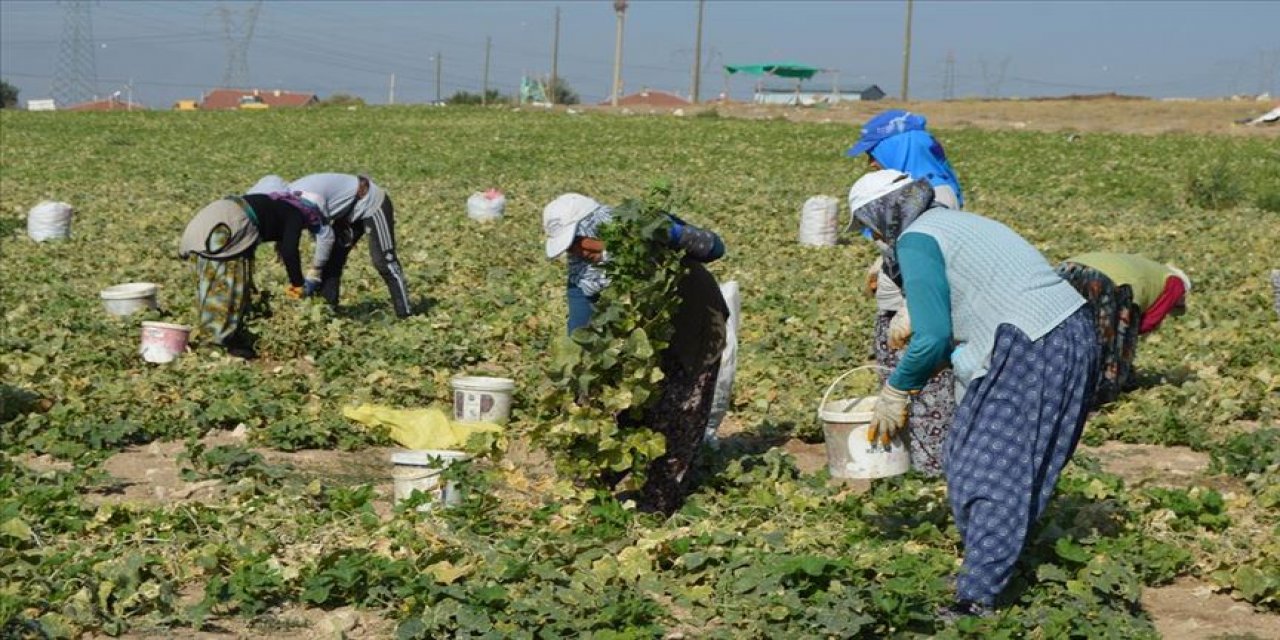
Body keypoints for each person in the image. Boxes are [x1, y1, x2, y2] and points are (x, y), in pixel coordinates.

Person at [849, 170, 1097, 619]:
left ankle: (976, 600)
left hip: (1030, 343)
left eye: (869, 224)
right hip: (1067, 333)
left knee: (986, 467)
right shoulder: (954, 223)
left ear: (884, 212)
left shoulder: (918, 239)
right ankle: (990, 569)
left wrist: (896, 389)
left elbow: (932, 339)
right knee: (1014, 461)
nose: (872, 236)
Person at [542, 193, 727, 514]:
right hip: (642, 332)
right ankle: (612, 488)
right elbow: (580, 323)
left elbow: (715, 248)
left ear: (599, 226)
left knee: (682, 406)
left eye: (580, 242)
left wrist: (670, 234)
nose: (579, 252)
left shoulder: (643, 228)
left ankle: (658, 501)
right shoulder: (583, 270)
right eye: (571, 247)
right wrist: (580, 371)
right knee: (633, 405)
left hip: (693, 315)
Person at [845, 109, 965, 476]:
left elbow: (934, 258)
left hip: (919, 315)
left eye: (875, 151)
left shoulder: (936, 193)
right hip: (899, 308)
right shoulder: (899, 190)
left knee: (925, 395)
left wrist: (912, 308)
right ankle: (906, 464)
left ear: (898, 148)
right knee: (897, 389)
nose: (869, 161)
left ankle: (932, 473)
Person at [178, 190, 328, 358]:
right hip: (225, 229)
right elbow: (289, 250)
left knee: (211, 286)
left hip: (207, 224)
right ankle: (215, 345)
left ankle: (224, 339)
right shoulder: (296, 214)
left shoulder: (278, 205)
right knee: (226, 289)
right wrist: (298, 284)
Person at [1055, 252, 1191, 405]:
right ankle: (1100, 400)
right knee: (1115, 348)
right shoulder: (1176, 283)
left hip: (1067, 269)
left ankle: (1058, 384)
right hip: (1108, 280)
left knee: (1066, 334)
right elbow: (1148, 321)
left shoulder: (1148, 269)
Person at [284, 173, 412, 318]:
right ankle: (328, 314)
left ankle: (405, 314)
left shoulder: (308, 202)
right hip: (346, 212)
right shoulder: (285, 203)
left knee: (384, 261)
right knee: (332, 261)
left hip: (370, 202)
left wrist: (314, 272)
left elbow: (325, 237)